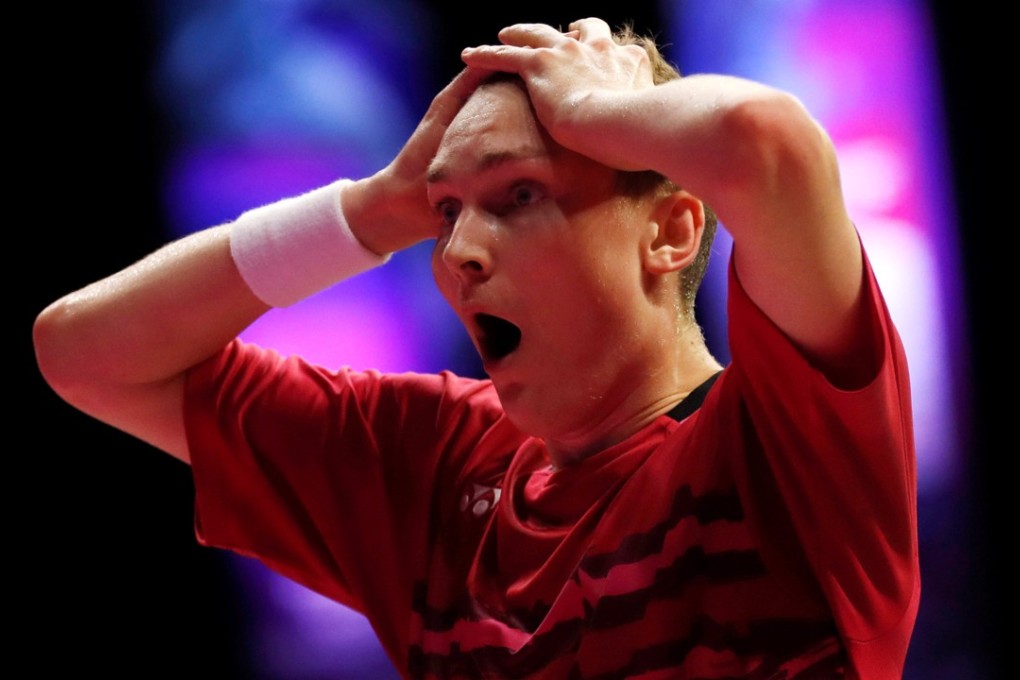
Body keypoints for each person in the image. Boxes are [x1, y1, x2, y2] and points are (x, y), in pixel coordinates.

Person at [33, 17, 919, 680]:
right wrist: (373, 211)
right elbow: (86, 351)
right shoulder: (431, 470)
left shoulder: (786, 447)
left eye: (520, 194)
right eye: (448, 210)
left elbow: (765, 143)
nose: (455, 252)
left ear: (672, 232)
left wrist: (595, 107)